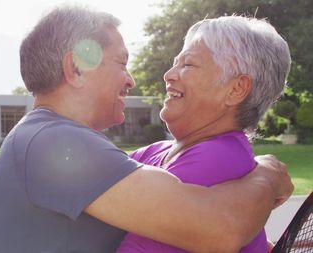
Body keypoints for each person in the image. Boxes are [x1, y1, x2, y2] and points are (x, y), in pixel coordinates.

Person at [0, 6, 293, 253]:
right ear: (76, 68)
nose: (134, 79)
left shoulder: (207, 156)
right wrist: (267, 174)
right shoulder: (54, 143)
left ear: (235, 89)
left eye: (187, 64)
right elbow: (219, 227)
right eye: (122, 62)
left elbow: (218, 227)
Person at [116, 16, 291, 253]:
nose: (168, 75)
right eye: (175, 63)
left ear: (236, 89)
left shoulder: (215, 158)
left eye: (188, 64)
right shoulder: (161, 150)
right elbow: (97, 171)